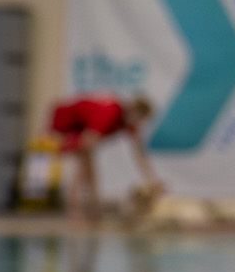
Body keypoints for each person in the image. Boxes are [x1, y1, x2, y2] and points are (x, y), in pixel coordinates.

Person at [49, 93, 161, 221]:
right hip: (66, 122)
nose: (139, 123)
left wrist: (152, 178)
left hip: (83, 130)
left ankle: (94, 213)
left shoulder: (128, 122)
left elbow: (139, 154)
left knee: (90, 169)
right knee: (81, 170)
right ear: (134, 112)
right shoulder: (110, 112)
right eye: (140, 119)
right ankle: (75, 213)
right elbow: (87, 141)